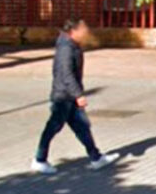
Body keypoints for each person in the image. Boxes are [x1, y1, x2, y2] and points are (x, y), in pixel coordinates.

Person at [32, 18, 119, 174]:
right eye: (83, 29)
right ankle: (39, 160)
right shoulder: (66, 48)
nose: (86, 31)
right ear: (73, 31)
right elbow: (66, 74)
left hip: (69, 96)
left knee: (82, 127)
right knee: (53, 127)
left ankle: (96, 157)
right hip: (63, 97)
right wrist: (78, 94)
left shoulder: (71, 45)